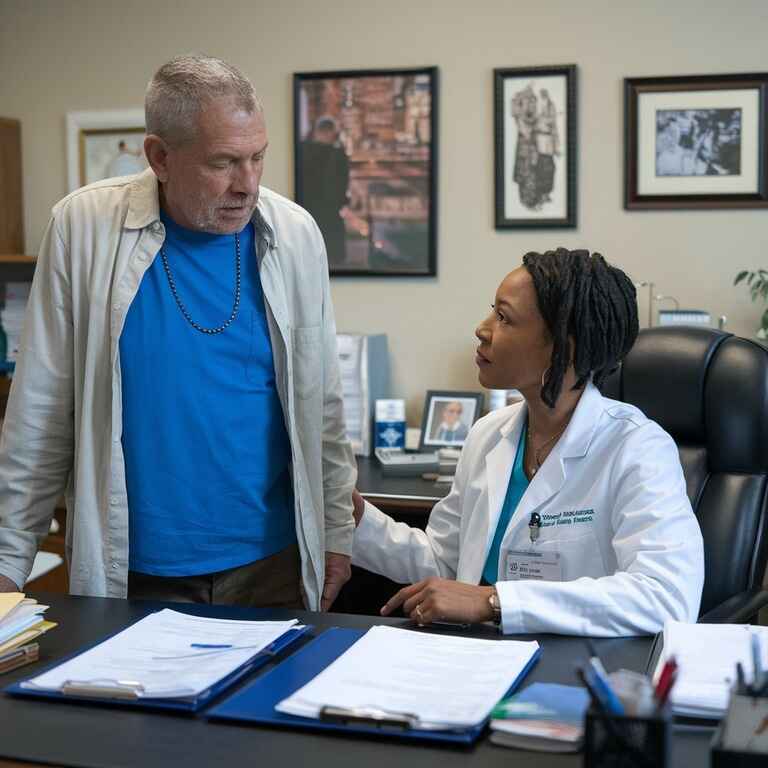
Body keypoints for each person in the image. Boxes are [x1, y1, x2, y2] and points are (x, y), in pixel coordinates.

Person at [0, 55, 356, 612]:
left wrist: (336, 534)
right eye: (224, 163)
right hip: (133, 569)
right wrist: (7, 560)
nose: (248, 184)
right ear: (159, 157)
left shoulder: (294, 234)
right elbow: (39, 411)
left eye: (258, 157)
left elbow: (322, 403)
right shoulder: (84, 229)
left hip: (270, 565)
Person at [352, 248, 704, 636]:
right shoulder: (489, 434)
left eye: (504, 317)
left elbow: (667, 597)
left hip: (573, 667)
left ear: (563, 348)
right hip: (474, 655)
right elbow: (447, 565)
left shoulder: (636, 448)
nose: (482, 329)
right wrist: (360, 521)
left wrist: (494, 603)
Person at [299, 116, 350, 267]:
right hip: (330, 206)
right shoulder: (338, 154)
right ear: (330, 133)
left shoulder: (302, 150)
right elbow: (343, 182)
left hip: (308, 205)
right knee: (333, 246)